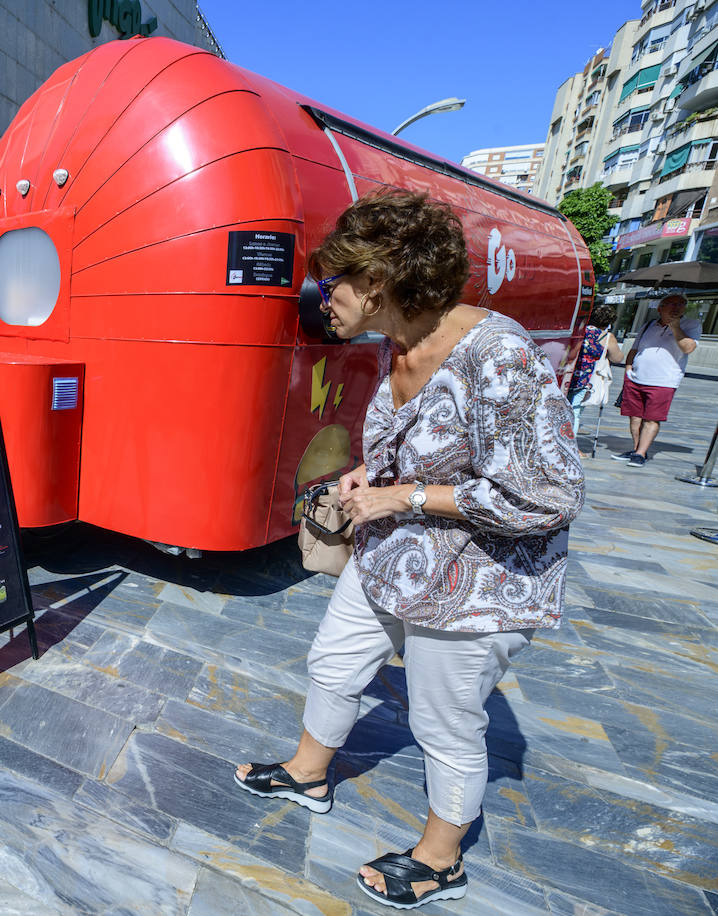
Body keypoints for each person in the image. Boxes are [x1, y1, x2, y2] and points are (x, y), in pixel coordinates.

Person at [232, 191, 583, 910]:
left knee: (443, 722)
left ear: (380, 282)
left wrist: (406, 497)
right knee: (334, 661)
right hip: (391, 556)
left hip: (476, 582)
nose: (321, 295)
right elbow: (419, 453)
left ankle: (440, 859)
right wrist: (377, 478)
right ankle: (308, 773)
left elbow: (547, 495)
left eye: (335, 280)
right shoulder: (400, 345)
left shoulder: (500, 356)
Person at [612, 293, 701, 468]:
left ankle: (640, 453)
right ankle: (637, 449)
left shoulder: (691, 325)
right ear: (660, 308)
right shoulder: (648, 325)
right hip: (636, 377)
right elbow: (635, 348)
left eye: (681, 304)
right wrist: (628, 369)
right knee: (635, 417)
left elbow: (688, 348)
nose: (677, 307)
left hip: (663, 381)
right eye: (672, 304)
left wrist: (675, 327)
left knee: (651, 419)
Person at [564, 303, 623, 437]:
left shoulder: (579, 330)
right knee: (575, 411)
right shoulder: (606, 337)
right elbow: (618, 358)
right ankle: (570, 444)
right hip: (585, 378)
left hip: (568, 374)